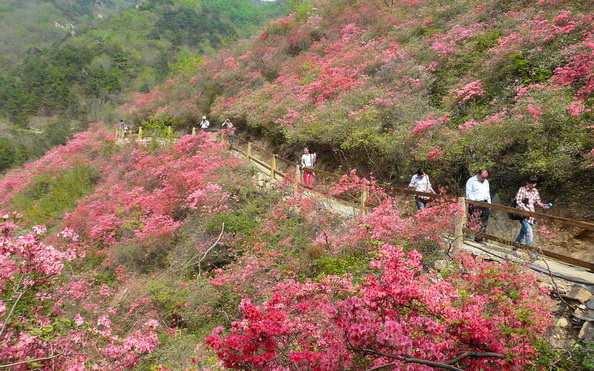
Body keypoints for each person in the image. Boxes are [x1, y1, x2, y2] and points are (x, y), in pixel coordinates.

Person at [511, 176, 552, 256]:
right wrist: (524, 208)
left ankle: (514, 249)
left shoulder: (535, 191)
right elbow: (518, 201)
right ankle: (531, 252)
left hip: (531, 216)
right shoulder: (522, 190)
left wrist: (544, 206)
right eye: (531, 183)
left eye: (534, 183)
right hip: (523, 215)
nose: (533, 185)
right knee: (529, 233)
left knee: (522, 234)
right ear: (527, 182)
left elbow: (537, 202)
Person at [465, 169, 491, 243]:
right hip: (475, 202)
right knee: (474, 219)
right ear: (478, 174)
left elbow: (487, 193)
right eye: (483, 177)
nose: (484, 179)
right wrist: (474, 201)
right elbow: (469, 192)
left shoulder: (486, 182)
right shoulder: (471, 181)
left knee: (484, 220)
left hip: (485, 202)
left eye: (485, 177)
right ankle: (468, 235)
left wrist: (489, 203)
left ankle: (479, 238)